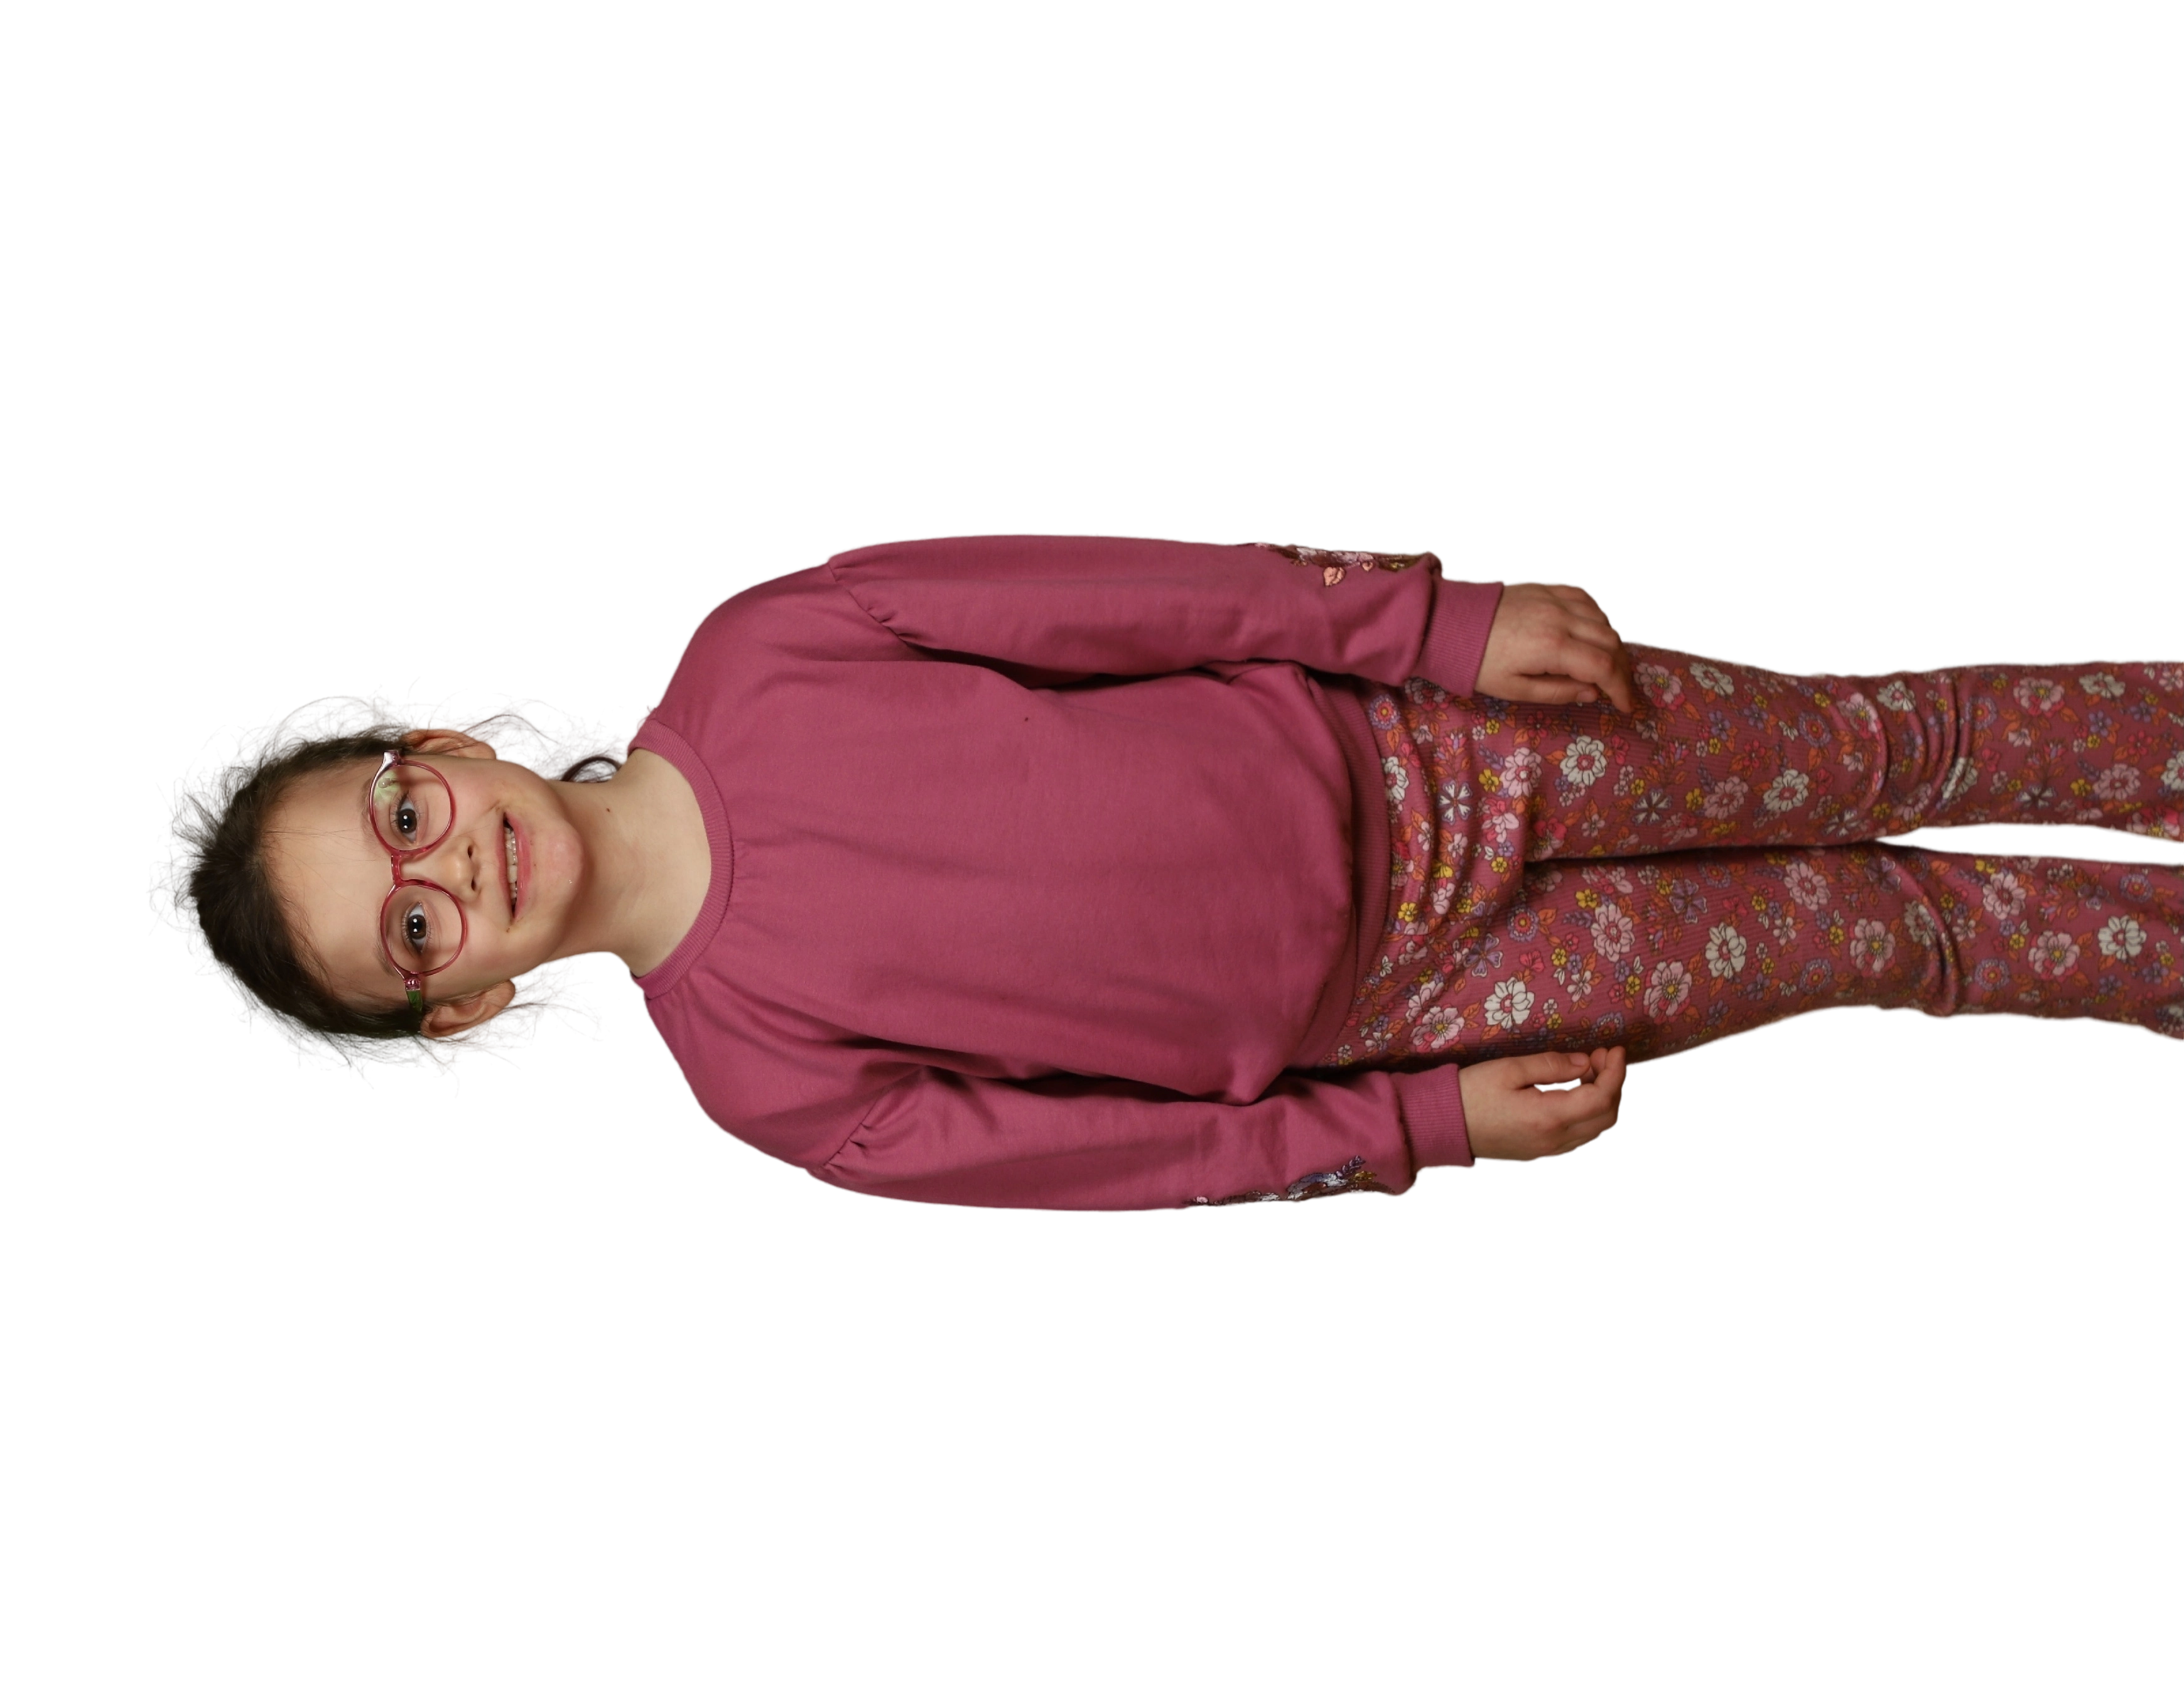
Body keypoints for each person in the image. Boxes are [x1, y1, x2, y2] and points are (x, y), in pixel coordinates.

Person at [146, 531, 2184, 1214]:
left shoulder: (767, 644)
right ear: (468, 1008)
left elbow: (1133, 599)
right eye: (411, 933)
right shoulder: (772, 1091)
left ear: (447, 744)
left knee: (1888, 745)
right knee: (1900, 931)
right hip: (1421, 1003)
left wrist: (1431, 625)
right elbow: (1129, 1159)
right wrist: (1417, 1128)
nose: (449, 867)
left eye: (397, 815)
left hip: (1429, 744)